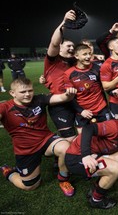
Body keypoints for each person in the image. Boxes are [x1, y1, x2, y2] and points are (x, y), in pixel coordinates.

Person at [0, 78, 77, 196]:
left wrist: (69, 94)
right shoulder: (5, 107)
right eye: (23, 92)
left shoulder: (39, 99)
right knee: (31, 186)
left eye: (30, 90)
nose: (27, 94)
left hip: (46, 140)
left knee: (66, 148)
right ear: (12, 93)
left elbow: (62, 98)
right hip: (26, 150)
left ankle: (63, 180)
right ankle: (9, 172)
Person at [65, 113, 118, 209]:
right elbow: (88, 129)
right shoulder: (115, 127)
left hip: (94, 156)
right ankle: (96, 200)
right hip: (77, 158)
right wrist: (86, 155)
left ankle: (95, 190)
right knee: (115, 169)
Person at [44, 10, 77, 141]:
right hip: (59, 104)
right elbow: (54, 43)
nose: (71, 48)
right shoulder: (52, 60)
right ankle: (59, 159)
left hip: (77, 101)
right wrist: (64, 23)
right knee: (69, 138)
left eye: (73, 46)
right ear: (61, 47)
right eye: (69, 45)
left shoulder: (74, 61)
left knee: (84, 135)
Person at [64, 44, 111, 128]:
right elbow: (69, 98)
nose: (89, 56)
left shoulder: (97, 68)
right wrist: (81, 111)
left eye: (89, 53)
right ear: (76, 56)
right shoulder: (69, 74)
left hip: (101, 109)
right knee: (83, 139)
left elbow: (105, 86)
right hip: (83, 112)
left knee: (106, 137)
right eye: (85, 54)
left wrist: (113, 91)